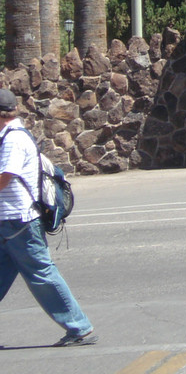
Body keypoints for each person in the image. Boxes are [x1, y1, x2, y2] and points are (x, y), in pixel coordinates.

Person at [0, 89, 97, 347]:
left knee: (41, 274)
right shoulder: (7, 136)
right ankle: (79, 327)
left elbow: (5, 176)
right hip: (8, 221)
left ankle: (79, 327)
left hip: (18, 222)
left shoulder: (13, 140)